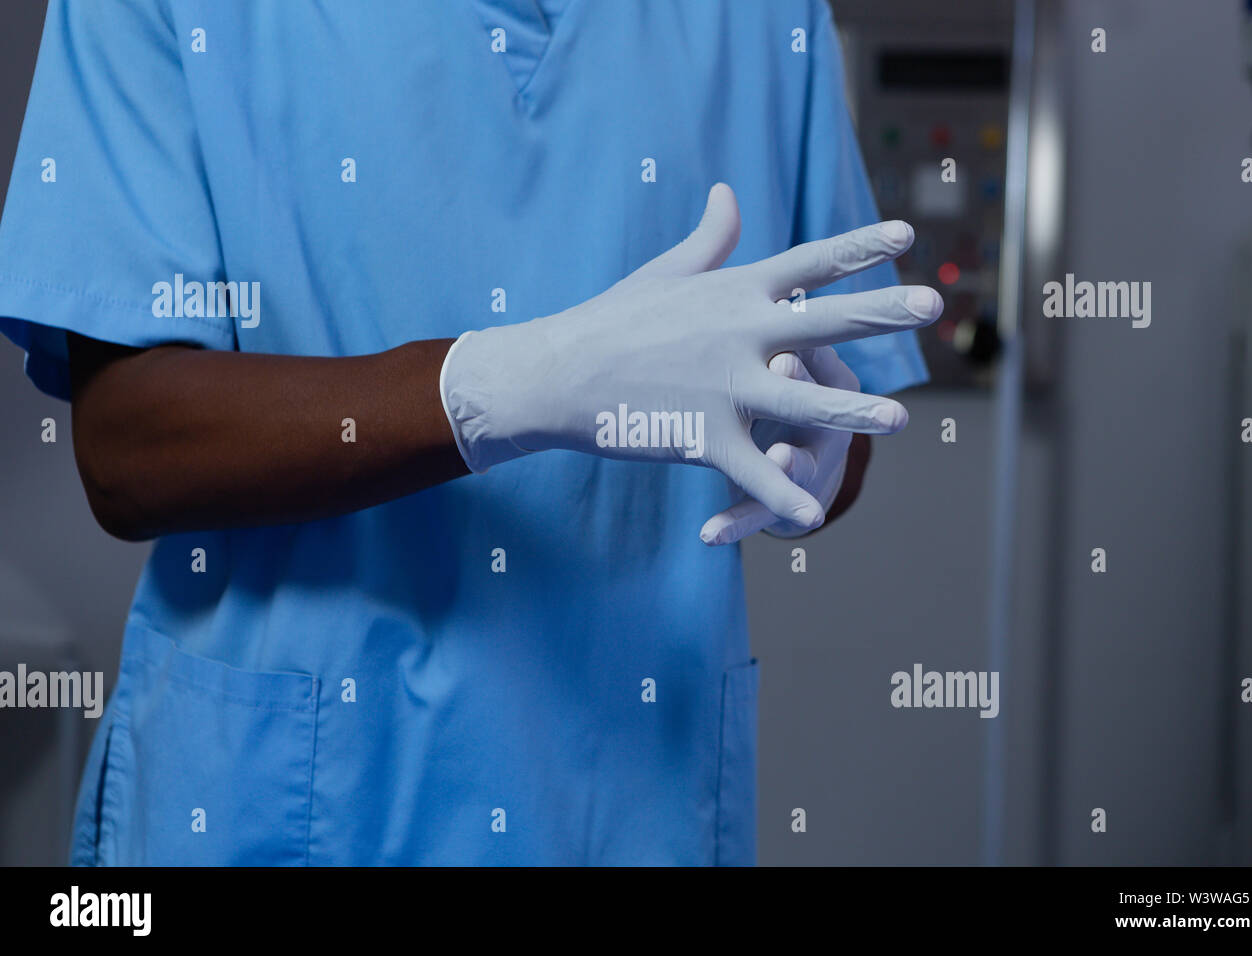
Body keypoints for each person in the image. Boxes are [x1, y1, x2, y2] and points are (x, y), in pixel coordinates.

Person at [0, 0, 937, 865]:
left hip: (635, 802)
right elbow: (129, 449)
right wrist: (508, 385)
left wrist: (811, 439)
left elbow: (838, 430)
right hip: (285, 809)